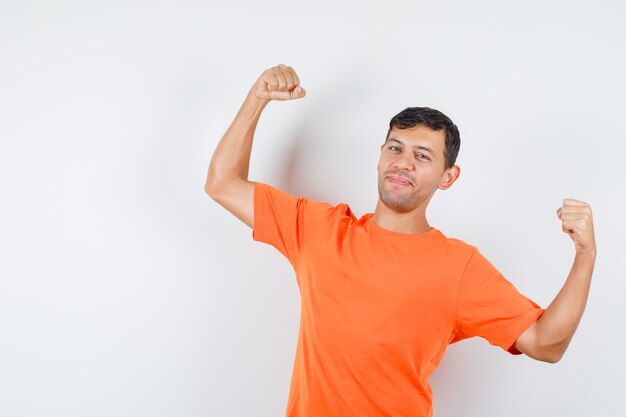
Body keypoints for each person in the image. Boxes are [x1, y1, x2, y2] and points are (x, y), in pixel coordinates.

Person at [204, 64, 597, 417]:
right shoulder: (319, 229)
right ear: (380, 155)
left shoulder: (459, 267)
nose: (403, 162)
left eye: (423, 156)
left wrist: (585, 254)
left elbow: (546, 344)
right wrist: (256, 99)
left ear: (448, 176)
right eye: (396, 147)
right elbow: (222, 184)